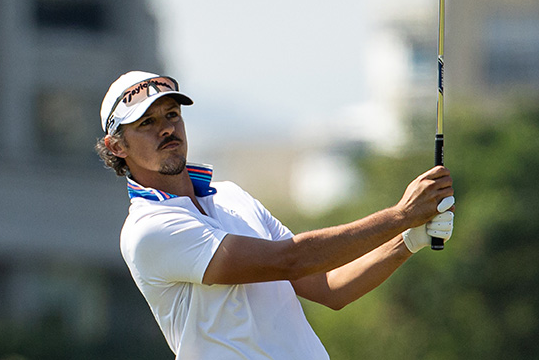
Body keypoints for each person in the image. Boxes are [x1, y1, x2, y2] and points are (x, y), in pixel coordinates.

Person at [96, 71, 454, 360]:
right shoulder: (149, 228)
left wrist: (408, 240)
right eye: (146, 122)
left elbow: (329, 287)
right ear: (117, 146)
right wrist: (401, 215)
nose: (166, 128)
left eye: (172, 114)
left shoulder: (231, 196)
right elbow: (290, 260)